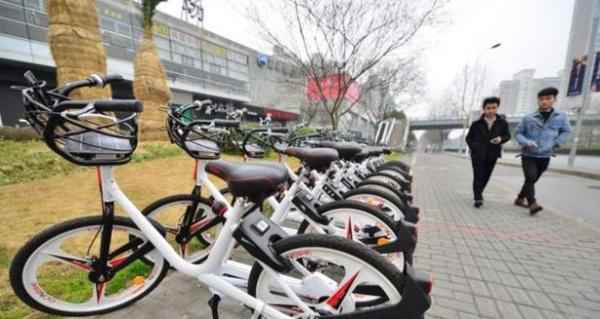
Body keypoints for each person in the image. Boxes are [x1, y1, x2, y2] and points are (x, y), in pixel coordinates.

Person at [514, 87, 571, 215]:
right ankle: (532, 203)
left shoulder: (561, 117)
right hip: (528, 154)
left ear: (554, 99)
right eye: (541, 99)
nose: (544, 101)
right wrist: (526, 142)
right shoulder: (529, 118)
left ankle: (519, 198)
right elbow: (518, 133)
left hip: (545, 155)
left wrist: (557, 142)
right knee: (530, 176)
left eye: (548, 98)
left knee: (531, 180)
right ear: (538, 101)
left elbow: (566, 131)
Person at [466, 97, 511, 208]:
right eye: (488, 108)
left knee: (486, 176)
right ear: (484, 109)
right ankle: (477, 197)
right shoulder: (476, 124)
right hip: (477, 155)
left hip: (493, 154)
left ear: (497, 108)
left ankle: (479, 192)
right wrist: (474, 147)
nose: (491, 110)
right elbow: (469, 138)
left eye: (493, 108)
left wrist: (500, 139)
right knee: (478, 175)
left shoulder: (502, 123)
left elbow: (507, 135)